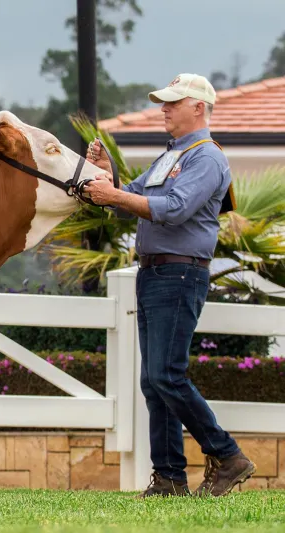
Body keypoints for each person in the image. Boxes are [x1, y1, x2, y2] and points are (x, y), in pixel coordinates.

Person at [84, 73, 256, 498]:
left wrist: (113, 195)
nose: (164, 108)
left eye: (173, 103)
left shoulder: (207, 158)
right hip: (157, 274)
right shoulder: (173, 156)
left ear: (199, 108)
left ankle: (228, 455)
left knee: (166, 374)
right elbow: (133, 200)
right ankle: (169, 478)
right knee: (154, 380)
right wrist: (111, 181)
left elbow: (175, 209)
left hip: (179, 274)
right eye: (164, 102)